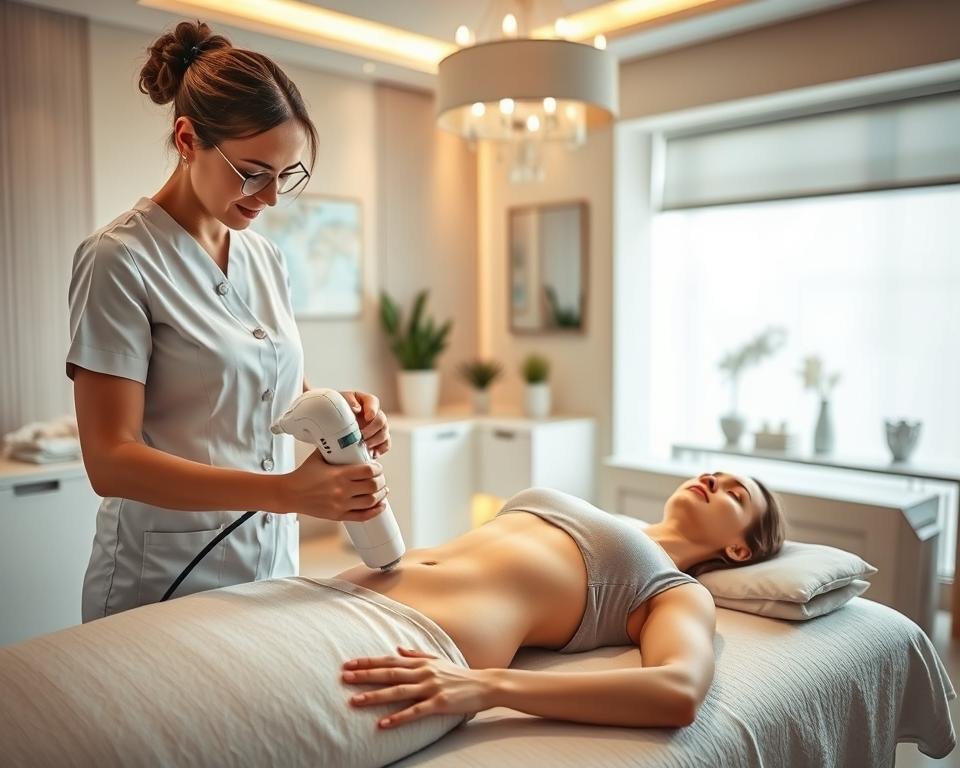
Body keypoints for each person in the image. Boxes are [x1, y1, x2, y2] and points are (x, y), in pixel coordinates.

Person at [66, 20, 391, 622]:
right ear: (188, 139)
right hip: (162, 577)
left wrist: (338, 407)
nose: (268, 197)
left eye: (285, 175)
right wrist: (286, 493)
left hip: (269, 563)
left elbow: (276, 392)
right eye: (252, 171)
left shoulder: (265, 258)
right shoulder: (120, 259)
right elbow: (109, 460)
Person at [336, 473, 785, 730]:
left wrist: (489, 687)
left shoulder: (678, 589)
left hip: (416, 636)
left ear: (739, 550)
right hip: (346, 587)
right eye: (713, 473)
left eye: (735, 493)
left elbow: (679, 691)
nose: (711, 479)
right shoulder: (606, 517)